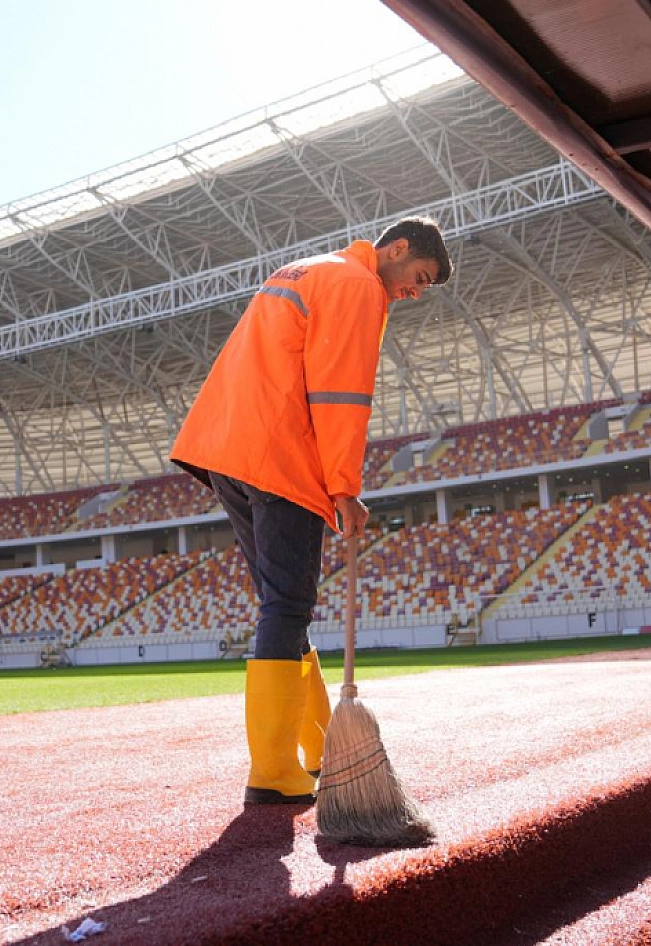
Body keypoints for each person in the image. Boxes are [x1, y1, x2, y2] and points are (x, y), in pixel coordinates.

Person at [171, 217, 452, 804]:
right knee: (289, 604)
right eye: (418, 278)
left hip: (228, 450)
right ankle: (272, 772)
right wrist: (344, 488)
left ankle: (321, 748)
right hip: (279, 455)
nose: (413, 293)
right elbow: (340, 394)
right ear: (395, 249)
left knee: (283, 604)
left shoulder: (308, 270)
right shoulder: (357, 286)